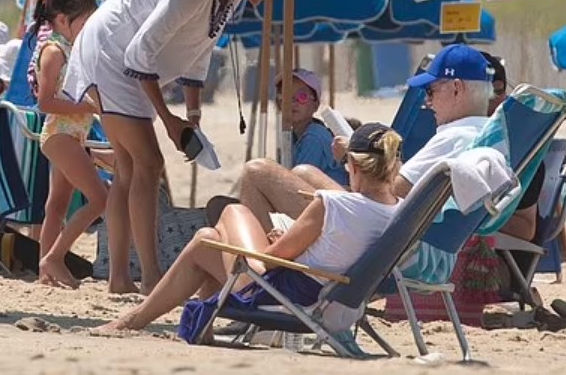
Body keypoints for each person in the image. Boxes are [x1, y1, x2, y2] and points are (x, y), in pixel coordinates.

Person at [64, 0, 280, 294]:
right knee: (149, 164)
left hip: (121, 61)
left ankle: (119, 278)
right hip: (111, 57)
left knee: (126, 171)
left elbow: (200, 51)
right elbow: (139, 52)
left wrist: (192, 116)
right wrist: (167, 120)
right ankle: (152, 276)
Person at [99, 122, 402, 334]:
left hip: (287, 299)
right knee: (209, 239)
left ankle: (135, 319)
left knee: (229, 216)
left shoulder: (332, 205)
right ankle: (168, 322)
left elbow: (270, 260)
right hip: (336, 304)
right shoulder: (396, 210)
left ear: (355, 165)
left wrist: (283, 240)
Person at [235, 44, 493, 230]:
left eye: (430, 91)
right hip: (381, 223)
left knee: (257, 172)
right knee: (303, 172)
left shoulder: (453, 138)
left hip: (369, 231)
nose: (427, 102)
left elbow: (391, 191)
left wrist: (356, 156)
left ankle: (260, 272)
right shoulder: (480, 136)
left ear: (456, 88)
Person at [30, 0, 108, 289]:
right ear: (62, 20)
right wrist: (87, 106)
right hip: (60, 133)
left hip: (71, 136)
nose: (89, 27)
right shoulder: (54, 51)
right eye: (85, 20)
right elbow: (44, 101)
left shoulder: (72, 49)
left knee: (57, 207)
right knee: (100, 198)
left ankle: (45, 274)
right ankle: (55, 258)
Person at [218, 69, 347, 231]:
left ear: (315, 104)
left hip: (329, 212)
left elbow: (296, 186)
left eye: (301, 97)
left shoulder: (314, 137)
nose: (293, 102)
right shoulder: (294, 136)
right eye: (285, 97)